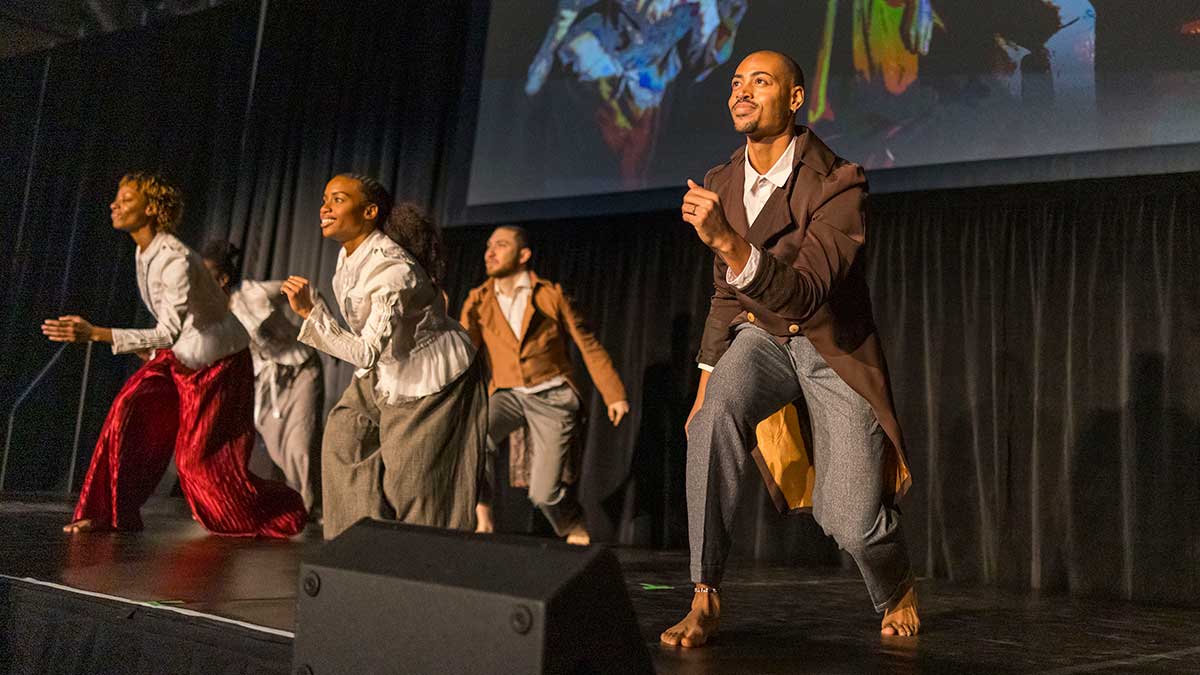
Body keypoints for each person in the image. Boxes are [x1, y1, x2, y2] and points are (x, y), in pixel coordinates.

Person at [658, 50, 920, 647]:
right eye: (735, 83)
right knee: (709, 422)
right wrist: (705, 386)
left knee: (850, 520)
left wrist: (727, 239)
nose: (741, 92)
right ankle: (704, 595)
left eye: (760, 81)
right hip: (761, 338)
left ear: (796, 99)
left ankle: (896, 581)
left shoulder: (839, 182)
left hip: (832, 348)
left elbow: (803, 296)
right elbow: (728, 296)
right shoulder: (724, 178)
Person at [42, 172, 306, 538]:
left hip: (217, 363)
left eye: (126, 199)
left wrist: (95, 334)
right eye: (117, 197)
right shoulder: (144, 251)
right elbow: (170, 334)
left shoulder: (176, 260)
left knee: (196, 466)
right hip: (177, 355)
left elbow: (168, 332)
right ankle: (106, 512)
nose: (114, 204)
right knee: (126, 410)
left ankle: (279, 510)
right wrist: (147, 350)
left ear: (151, 209)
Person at [281, 174, 486, 539]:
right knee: (344, 439)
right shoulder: (351, 255)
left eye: (338, 200)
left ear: (370, 211)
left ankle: (421, 567)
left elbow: (365, 352)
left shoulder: (393, 270)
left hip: (428, 375)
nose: (325, 208)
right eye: (325, 198)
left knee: (414, 485)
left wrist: (313, 315)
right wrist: (319, 314)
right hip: (385, 368)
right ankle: (359, 545)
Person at [459, 226, 629, 544]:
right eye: (488, 246)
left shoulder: (549, 294)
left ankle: (572, 525)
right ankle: (483, 516)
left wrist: (614, 394)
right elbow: (464, 351)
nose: (490, 252)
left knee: (543, 493)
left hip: (552, 395)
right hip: (507, 393)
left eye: (501, 245)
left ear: (523, 255)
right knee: (470, 441)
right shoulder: (479, 300)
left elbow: (588, 344)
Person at [201, 240, 324, 513]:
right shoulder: (211, 318)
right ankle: (304, 505)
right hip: (266, 385)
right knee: (280, 450)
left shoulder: (255, 295)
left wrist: (325, 332)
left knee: (298, 447)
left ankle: (304, 511)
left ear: (222, 279)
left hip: (299, 370)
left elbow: (304, 289)